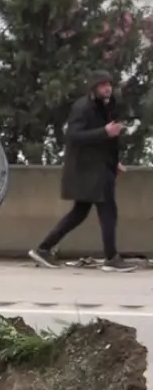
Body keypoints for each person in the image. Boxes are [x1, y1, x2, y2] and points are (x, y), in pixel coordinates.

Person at [28, 70, 136, 273]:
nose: (108, 88)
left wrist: (114, 163)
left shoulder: (103, 106)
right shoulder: (83, 107)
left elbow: (105, 143)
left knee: (79, 213)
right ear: (94, 87)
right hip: (89, 171)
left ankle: (43, 248)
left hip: (98, 169)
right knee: (108, 212)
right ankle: (111, 258)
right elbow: (74, 136)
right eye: (103, 85)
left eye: (109, 84)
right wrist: (104, 132)